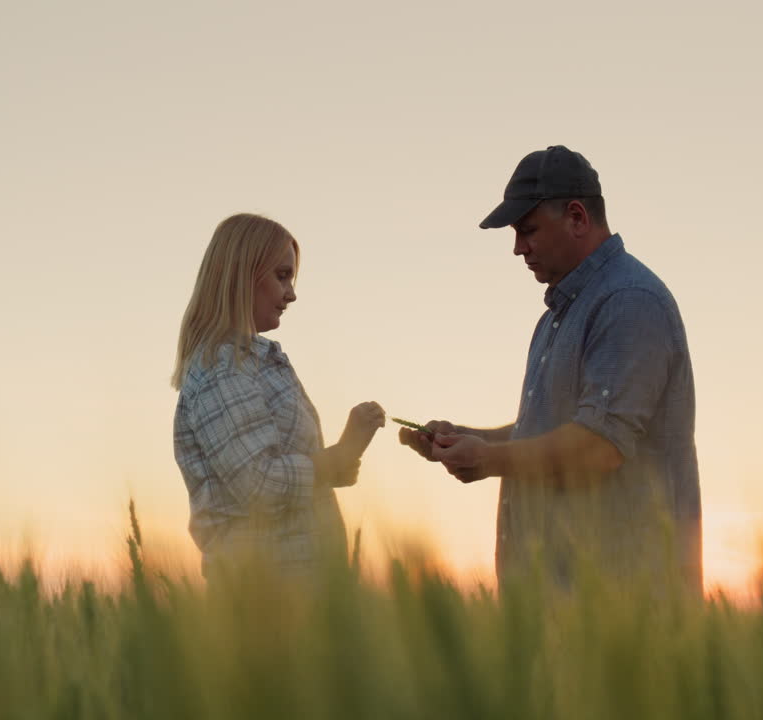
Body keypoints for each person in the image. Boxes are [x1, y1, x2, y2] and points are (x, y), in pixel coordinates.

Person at [399, 146, 702, 594]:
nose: (518, 248)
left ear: (578, 217)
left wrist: (486, 459)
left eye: (528, 230)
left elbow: (599, 447)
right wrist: (469, 437)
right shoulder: (564, 312)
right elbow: (556, 430)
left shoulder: (628, 301)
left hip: (618, 604)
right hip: (558, 601)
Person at [172, 213, 385, 580]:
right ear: (243, 275)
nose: (292, 293)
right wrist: (340, 454)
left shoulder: (255, 361)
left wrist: (346, 456)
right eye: (282, 276)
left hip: (300, 590)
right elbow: (259, 485)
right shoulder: (222, 369)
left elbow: (294, 475)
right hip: (265, 594)